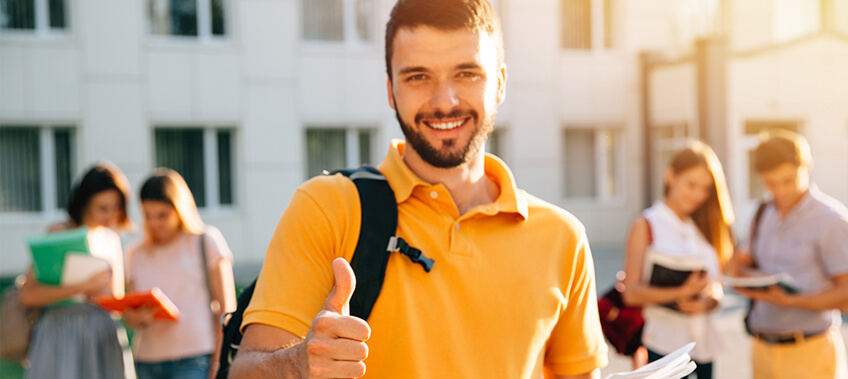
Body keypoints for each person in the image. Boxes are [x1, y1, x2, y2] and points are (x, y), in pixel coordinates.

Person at [229, 0, 608, 378]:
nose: (445, 101)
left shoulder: (564, 238)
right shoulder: (327, 208)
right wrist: (298, 364)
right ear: (391, 90)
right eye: (418, 76)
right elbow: (242, 372)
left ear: (500, 83)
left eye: (467, 73)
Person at [730, 130, 848, 379]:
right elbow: (745, 266)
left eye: (788, 180)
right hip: (762, 348)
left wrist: (792, 300)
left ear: (807, 167)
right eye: (771, 183)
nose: (781, 191)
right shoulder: (761, 214)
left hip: (810, 352)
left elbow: (846, 294)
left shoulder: (832, 220)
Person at [620, 141, 735, 379]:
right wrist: (682, 292)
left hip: (703, 348)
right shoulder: (645, 224)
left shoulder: (706, 226)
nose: (698, 195)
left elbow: (716, 284)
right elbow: (630, 293)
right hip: (662, 348)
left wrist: (709, 302)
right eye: (691, 184)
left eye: (705, 188)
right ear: (671, 176)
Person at [18, 162, 132, 378]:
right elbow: (27, 295)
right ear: (85, 203)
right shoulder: (59, 232)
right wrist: (83, 287)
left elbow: (116, 299)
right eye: (103, 208)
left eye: (116, 208)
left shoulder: (111, 239)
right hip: (61, 334)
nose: (110, 216)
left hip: (103, 336)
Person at [123, 169, 236, 379]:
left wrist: (218, 364)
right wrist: (138, 317)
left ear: (180, 209)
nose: (155, 223)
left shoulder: (206, 241)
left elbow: (226, 310)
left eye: (163, 215)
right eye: (148, 215)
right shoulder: (135, 253)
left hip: (194, 359)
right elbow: (130, 316)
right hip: (146, 360)